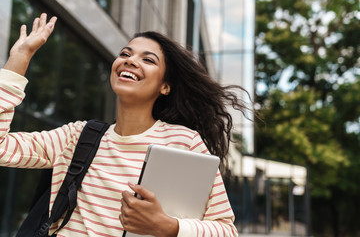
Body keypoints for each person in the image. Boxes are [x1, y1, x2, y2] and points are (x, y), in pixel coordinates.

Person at [0, 13, 251, 236]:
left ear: (165, 86)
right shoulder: (76, 136)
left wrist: (168, 227)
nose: (130, 60)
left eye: (148, 60)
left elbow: (225, 230)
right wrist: (19, 58)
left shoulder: (183, 142)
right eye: (125, 54)